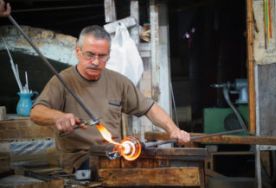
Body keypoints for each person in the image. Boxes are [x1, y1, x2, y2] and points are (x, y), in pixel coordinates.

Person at [30, 25, 190, 173]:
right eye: (89, 55)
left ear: (109, 55)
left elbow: (149, 107)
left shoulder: (118, 82)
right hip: (81, 160)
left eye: (102, 56)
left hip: (116, 153)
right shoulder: (62, 81)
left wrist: (173, 129)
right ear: (78, 51)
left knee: (154, 170)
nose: (95, 62)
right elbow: (36, 112)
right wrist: (58, 117)